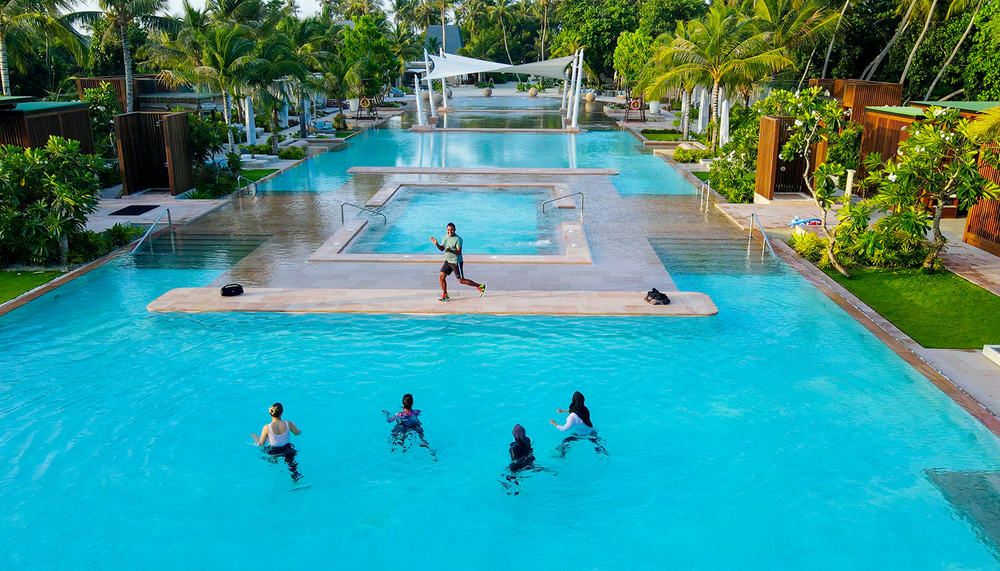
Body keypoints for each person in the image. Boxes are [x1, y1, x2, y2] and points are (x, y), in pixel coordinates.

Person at [430, 222, 486, 302]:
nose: (450, 231)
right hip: (448, 261)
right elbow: (442, 249)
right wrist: (436, 244)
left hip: (456, 262)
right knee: (441, 277)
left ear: (455, 230)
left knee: (461, 280)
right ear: (447, 230)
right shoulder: (445, 237)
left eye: (452, 230)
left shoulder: (458, 239)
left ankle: (480, 286)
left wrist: (450, 250)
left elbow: (459, 252)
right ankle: (445, 294)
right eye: (448, 230)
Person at [251, 402, 302, 481]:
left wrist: (255, 438)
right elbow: (297, 433)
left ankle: (274, 462)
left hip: (274, 451)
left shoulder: (267, 427)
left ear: (271, 413)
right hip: (287, 450)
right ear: (282, 413)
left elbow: (261, 444)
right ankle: (295, 478)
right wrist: (294, 426)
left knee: (264, 453)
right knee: (292, 466)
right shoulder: (288, 423)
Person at [550, 391, 607, 456]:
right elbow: (576, 411)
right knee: (598, 446)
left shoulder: (572, 417)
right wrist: (563, 411)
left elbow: (564, 429)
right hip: (592, 432)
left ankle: (561, 456)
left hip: (581, 434)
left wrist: (554, 423)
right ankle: (604, 454)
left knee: (564, 442)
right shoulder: (585, 409)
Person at [501, 424, 553, 495]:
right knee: (536, 467)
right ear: (524, 433)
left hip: (519, 466)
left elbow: (515, 461)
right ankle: (550, 471)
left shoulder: (514, 448)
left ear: (514, 435)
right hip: (529, 461)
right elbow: (531, 451)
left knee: (507, 474)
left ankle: (514, 490)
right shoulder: (527, 440)